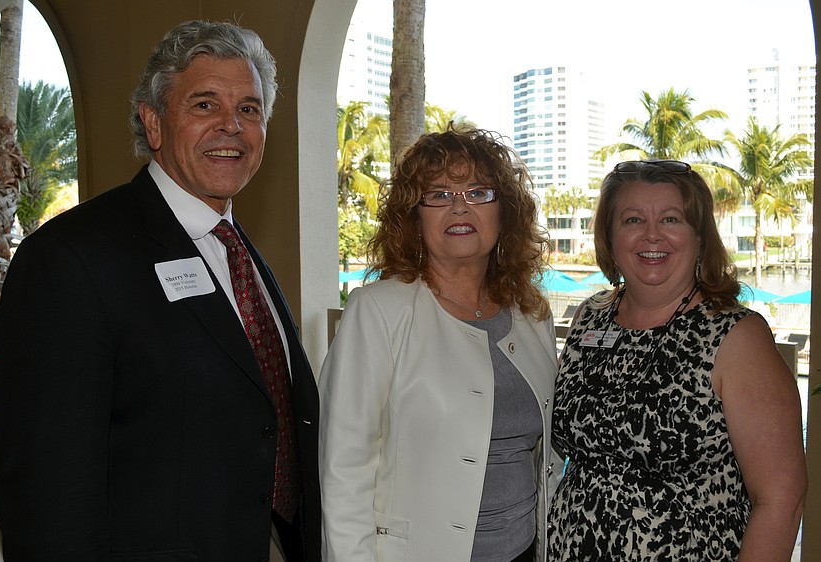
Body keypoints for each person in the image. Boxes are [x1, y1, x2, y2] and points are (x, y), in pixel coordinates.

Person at [0, 20, 321, 561]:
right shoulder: (70, 260)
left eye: (249, 109)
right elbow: (47, 498)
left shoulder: (239, 253)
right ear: (154, 122)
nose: (232, 127)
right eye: (205, 105)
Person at [319, 127, 563, 561]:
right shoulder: (378, 312)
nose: (459, 206)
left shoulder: (533, 315)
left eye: (477, 192)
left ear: (504, 212)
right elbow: (344, 474)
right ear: (415, 217)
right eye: (438, 194)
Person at [548, 160, 807, 561]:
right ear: (610, 237)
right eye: (633, 220)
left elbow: (781, 500)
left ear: (700, 237)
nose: (652, 234)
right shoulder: (589, 317)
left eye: (672, 218)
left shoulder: (737, 338)